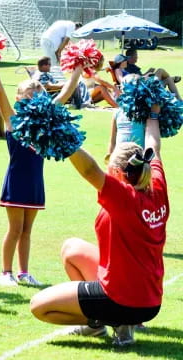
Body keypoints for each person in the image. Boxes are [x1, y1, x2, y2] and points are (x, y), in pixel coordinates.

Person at [30, 104, 167, 346]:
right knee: (71, 248)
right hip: (151, 300)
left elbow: (90, 170)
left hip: (123, 300)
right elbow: (153, 145)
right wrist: (153, 114)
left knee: (39, 307)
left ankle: (104, 322)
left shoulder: (123, 196)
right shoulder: (157, 186)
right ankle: (102, 326)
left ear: (117, 171)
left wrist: (61, 135)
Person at [0, 56, 83, 287]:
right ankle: (6, 272)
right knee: (15, 229)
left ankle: (24, 272)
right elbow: (0, 93)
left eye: (38, 91)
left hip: (35, 182)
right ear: (19, 98)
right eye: (30, 92)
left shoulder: (45, 120)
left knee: (27, 231)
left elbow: (65, 93)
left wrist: (78, 70)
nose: (35, 94)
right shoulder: (13, 120)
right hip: (16, 181)